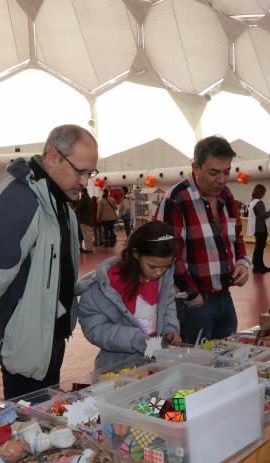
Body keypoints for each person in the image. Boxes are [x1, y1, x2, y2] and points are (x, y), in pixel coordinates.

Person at [0, 124, 97, 399]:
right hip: (26, 337)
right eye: (81, 171)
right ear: (53, 157)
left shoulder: (57, 200)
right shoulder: (18, 202)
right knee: (26, 422)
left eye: (90, 173)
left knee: (43, 415)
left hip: (50, 332)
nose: (85, 181)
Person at [156, 135, 251, 343]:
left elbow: (236, 237)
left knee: (227, 361)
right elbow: (168, 255)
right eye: (213, 173)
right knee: (194, 368)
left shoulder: (226, 196)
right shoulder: (176, 199)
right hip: (193, 306)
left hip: (225, 298)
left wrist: (243, 262)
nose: (222, 180)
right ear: (195, 167)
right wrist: (190, 294)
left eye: (227, 172)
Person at [78, 220, 181, 372]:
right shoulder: (105, 285)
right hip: (117, 368)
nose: (159, 272)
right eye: (153, 266)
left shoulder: (163, 280)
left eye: (165, 267)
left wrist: (170, 329)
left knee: (163, 396)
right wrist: (135, 339)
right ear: (136, 254)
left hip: (155, 363)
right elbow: (95, 328)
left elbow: (168, 305)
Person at [247, 184, 270, 273]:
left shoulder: (252, 202)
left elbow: (259, 215)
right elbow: (262, 215)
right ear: (260, 192)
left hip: (256, 228)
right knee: (260, 248)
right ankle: (258, 267)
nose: (264, 194)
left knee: (259, 247)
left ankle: (259, 265)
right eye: (264, 192)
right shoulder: (259, 202)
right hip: (261, 229)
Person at [75, 188, 94, 253]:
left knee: (86, 235)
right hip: (89, 219)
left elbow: (77, 208)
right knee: (89, 234)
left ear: (82, 192)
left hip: (83, 220)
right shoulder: (89, 199)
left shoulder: (83, 199)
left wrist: (74, 210)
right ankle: (90, 247)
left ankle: (88, 249)